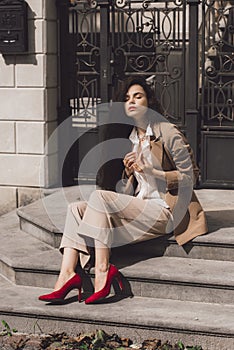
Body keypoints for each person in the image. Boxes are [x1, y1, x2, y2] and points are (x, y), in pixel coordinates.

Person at [38, 77, 208, 304]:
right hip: (143, 207)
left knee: (99, 197)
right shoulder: (130, 139)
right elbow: (132, 194)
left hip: (167, 210)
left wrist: (153, 171)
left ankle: (103, 269)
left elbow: (191, 176)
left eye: (138, 96)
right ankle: (67, 275)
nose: (132, 101)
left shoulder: (167, 132)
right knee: (76, 209)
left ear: (149, 101)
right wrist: (130, 174)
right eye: (127, 98)